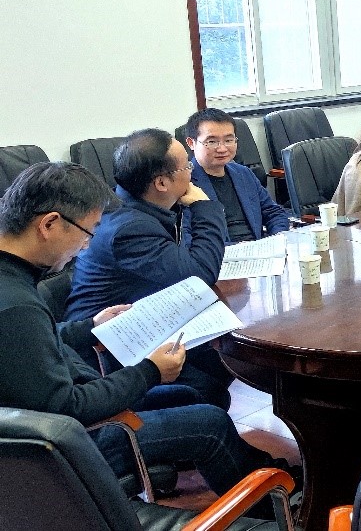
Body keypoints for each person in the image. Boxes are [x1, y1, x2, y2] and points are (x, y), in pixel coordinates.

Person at [0, 162, 289, 496]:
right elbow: (67, 408)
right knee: (210, 424)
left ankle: (254, 471)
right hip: (66, 447)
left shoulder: (14, 281)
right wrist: (151, 370)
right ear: (49, 224)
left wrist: (90, 327)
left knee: (190, 395)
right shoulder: (16, 305)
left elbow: (33, 342)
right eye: (87, 232)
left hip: (61, 411)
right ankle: (273, 499)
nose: (86, 245)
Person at [66, 128, 233, 408]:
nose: (192, 172)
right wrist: (205, 207)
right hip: (109, 353)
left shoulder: (141, 207)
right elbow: (199, 275)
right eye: (187, 166)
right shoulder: (129, 228)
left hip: (146, 323)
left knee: (221, 361)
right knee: (209, 387)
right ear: (162, 182)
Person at [183, 108, 291, 244]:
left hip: (260, 248)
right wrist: (239, 248)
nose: (222, 149)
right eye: (212, 142)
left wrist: (277, 237)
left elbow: (273, 212)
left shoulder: (243, 173)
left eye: (229, 140)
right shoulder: (184, 183)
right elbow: (187, 238)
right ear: (191, 143)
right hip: (219, 253)